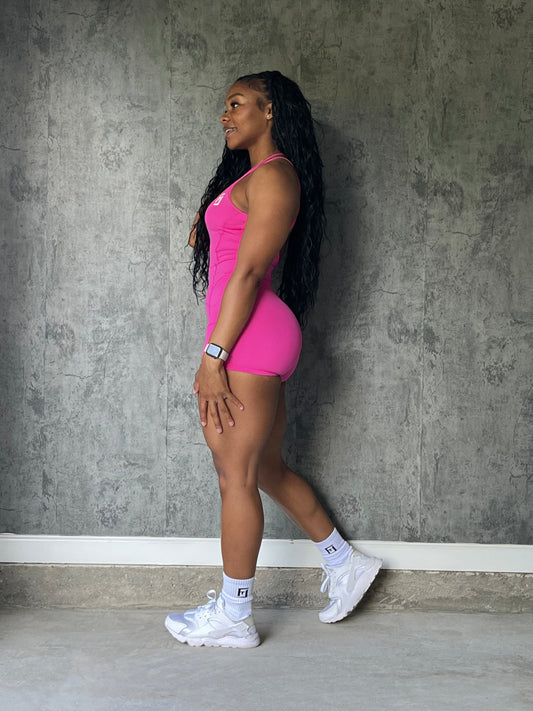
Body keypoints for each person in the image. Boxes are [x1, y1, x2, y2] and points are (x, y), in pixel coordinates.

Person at [165, 71, 381, 648]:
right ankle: (345, 562)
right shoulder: (252, 178)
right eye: (225, 105)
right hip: (250, 334)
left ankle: (235, 616)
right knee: (264, 469)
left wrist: (214, 355)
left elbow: (251, 272)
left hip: (248, 337)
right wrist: (208, 220)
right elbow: (219, 247)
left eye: (237, 104)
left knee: (233, 475)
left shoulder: (276, 176)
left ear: (270, 111)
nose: (225, 115)